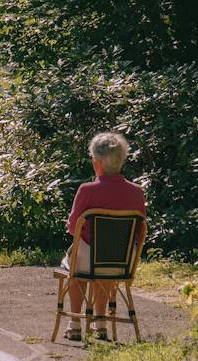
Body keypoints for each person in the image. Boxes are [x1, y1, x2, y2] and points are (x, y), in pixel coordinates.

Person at [60, 132, 146, 342]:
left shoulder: (87, 190)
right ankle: (100, 323)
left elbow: (73, 228)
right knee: (105, 263)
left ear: (97, 162)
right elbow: (140, 230)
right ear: (121, 161)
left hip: (88, 261)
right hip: (121, 262)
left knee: (75, 268)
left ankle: (75, 323)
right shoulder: (136, 192)